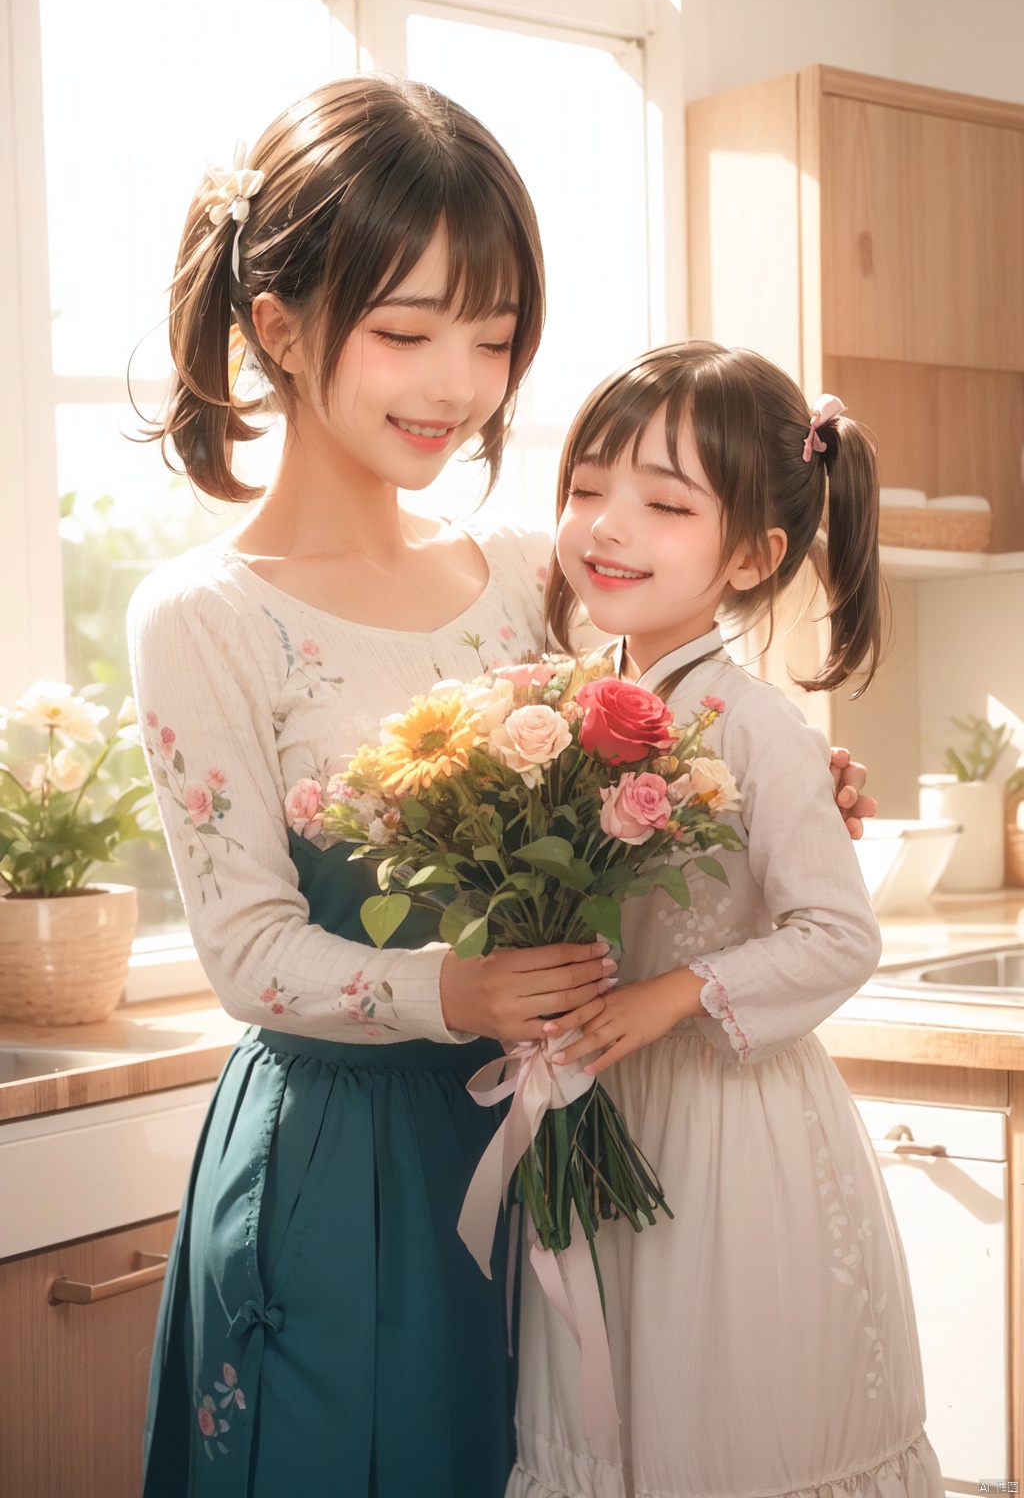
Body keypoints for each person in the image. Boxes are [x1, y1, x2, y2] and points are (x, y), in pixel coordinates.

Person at [130, 78, 874, 1496]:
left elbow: (657, 728)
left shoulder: (526, 568)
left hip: (553, 1137)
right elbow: (243, 954)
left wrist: (763, 787)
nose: (460, 383)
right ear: (279, 325)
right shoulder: (205, 614)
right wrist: (454, 997)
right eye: (407, 331)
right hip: (342, 1164)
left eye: (494, 332)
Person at [507, 343, 942, 1498]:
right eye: (588, 485)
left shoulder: (758, 727)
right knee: (609, 1429)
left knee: (724, 1428)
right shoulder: (549, 708)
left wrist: (670, 998)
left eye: (662, 502)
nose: (607, 525)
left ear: (751, 553)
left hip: (725, 1127)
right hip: (595, 1113)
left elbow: (839, 936)